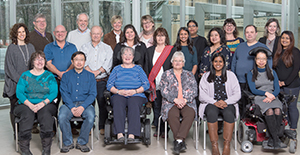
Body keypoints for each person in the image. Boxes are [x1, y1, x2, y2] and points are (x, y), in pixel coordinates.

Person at [14, 51, 58, 155]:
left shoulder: (49, 75)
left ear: (45, 61)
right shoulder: (25, 75)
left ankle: (46, 149)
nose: (39, 61)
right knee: (27, 115)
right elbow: (19, 93)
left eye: (42, 59)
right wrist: (30, 105)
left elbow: (54, 92)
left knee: (45, 114)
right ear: (33, 62)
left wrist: (42, 104)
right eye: (37, 59)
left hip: (46, 104)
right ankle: (24, 149)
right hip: (25, 104)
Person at [199, 53, 240, 155]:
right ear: (212, 63)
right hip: (211, 103)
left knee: (229, 113)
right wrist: (214, 102)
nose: (218, 64)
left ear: (224, 63)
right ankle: (214, 145)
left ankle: (226, 145)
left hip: (227, 103)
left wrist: (225, 102)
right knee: (211, 113)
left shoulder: (231, 75)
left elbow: (237, 94)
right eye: (215, 61)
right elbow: (202, 95)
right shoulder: (206, 76)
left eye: (220, 61)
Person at [106, 47, 150, 141]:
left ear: (133, 57)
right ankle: (119, 133)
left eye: (130, 54)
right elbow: (109, 85)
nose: (127, 56)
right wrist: (118, 91)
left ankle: (132, 134)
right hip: (119, 94)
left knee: (133, 103)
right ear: (121, 56)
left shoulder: (138, 69)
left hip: (136, 94)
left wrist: (135, 91)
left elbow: (146, 84)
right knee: (118, 102)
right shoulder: (116, 69)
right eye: (125, 54)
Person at [247, 47, 286, 149]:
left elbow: (277, 88)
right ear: (255, 60)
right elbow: (253, 90)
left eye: (263, 59)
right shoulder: (251, 73)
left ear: (266, 60)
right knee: (269, 111)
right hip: (260, 97)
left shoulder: (273, 72)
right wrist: (266, 94)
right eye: (259, 58)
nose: (261, 61)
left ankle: (272, 139)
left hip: (273, 96)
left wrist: (272, 96)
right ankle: (276, 139)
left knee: (277, 110)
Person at [159, 51, 197, 154]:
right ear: (172, 62)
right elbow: (163, 90)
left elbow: (194, 90)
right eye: (175, 61)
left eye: (180, 61)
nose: (177, 63)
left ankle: (178, 140)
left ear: (183, 63)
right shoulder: (166, 74)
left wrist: (184, 100)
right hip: (171, 103)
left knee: (190, 114)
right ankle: (181, 141)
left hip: (187, 102)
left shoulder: (189, 74)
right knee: (172, 115)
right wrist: (175, 99)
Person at [58, 51, 97, 153]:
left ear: (84, 62)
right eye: (76, 60)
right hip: (69, 104)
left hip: (85, 104)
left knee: (90, 116)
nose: (79, 62)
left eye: (81, 60)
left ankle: (82, 142)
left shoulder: (91, 76)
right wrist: (71, 107)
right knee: (62, 117)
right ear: (72, 61)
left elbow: (92, 94)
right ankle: (68, 143)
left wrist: (82, 107)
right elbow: (64, 93)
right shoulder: (66, 76)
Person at [231, 25, 271, 118]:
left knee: (253, 105)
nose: (249, 34)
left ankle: (251, 127)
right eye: (247, 32)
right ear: (244, 34)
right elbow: (234, 62)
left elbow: (269, 63)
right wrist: (233, 77)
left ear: (256, 34)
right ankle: (241, 123)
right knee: (240, 103)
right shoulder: (240, 46)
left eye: (252, 32)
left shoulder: (262, 47)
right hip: (240, 81)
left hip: (255, 82)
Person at [80, 26, 113, 135]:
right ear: (90, 34)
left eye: (98, 34)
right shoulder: (84, 47)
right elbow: (82, 61)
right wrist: (90, 72)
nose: (96, 36)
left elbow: (108, 63)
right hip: (87, 81)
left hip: (101, 80)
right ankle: (89, 126)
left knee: (102, 103)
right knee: (89, 103)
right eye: (94, 33)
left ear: (102, 34)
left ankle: (102, 127)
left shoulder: (107, 48)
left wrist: (97, 71)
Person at [3, 23, 35, 135]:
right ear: (15, 34)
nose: (22, 34)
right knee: (14, 108)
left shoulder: (31, 47)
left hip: (29, 83)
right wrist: (21, 81)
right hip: (14, 83)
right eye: (19, 32)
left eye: (23, 31)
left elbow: (33, 65)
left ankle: (25, 131)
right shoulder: (11, 48)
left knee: (27, 108)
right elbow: (9, 68)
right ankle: (15, 133)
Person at [144, 27, 174, 138]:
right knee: (156, 107)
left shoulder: (171, 50)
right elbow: (147, 67)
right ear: (155, 37)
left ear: (166, 37)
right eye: (158, 35)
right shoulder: (149, 50)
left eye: (162, 35)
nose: (160, 37)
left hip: (167, 84)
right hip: (154, 83)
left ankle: (165, 129)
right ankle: (158, 128)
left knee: (166, 107)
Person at [273, 31, 300, 135]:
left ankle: (293, 129)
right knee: (283, 108)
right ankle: (285, 127)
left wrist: (285, 82)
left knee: (292, 106)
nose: (284, 40)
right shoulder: (278, 51)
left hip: (292, 85)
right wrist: (277, 82)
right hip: (279, 85)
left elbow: (296, 69)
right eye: (283, 38)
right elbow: (274, 68)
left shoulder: (295, 51)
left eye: (287, 38)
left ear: (291, 40)